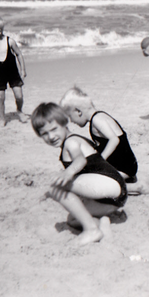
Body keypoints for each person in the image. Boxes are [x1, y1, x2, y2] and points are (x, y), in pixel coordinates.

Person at [31, 102, 127, 246]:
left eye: (54, 129)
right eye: (44, 133)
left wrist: (67, 173)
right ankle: (102, 221)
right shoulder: (71, 141)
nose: (51, 136)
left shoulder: (71, 142)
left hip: (111, 187)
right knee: (73, 219)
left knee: (55, 187)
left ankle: (91, 230)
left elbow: (80, 160)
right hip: (112, 199)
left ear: (64, 123)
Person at [60, 87, 148, 195]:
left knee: (96, 185)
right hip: (127, 165)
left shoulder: (97, 120)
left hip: (124, 167)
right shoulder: (100, 116)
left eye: (70, 117)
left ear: (78, 111)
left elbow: (114, 140)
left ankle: (132, 187)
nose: (71, 121)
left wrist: (101, 160)